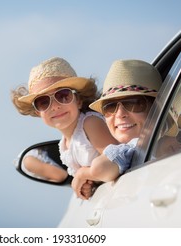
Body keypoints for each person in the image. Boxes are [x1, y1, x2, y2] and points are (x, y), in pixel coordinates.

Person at [11, 57, 117, 180]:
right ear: (38, 112)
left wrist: (82, 175)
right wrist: (89, 182)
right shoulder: (64, 145)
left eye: (63, 96)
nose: (55, 106)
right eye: (43, 102)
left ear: (78, 100)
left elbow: (117, 160)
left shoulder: (90, 123)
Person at [71, 59, 163, 200]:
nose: (120, 114)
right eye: (110, 106)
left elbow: (99, 168)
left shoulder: (133, 148)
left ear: (157, 109)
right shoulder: (173, 143)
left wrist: (83, 173)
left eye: (134, 103)